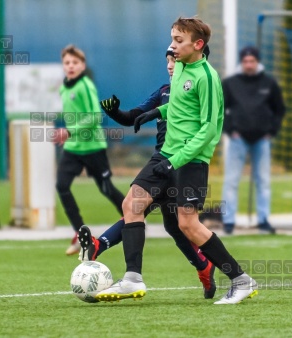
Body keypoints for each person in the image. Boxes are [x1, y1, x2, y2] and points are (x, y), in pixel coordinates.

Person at [96, 17, 258, 305]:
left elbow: (209, 129)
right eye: (172, 38)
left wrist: (176, 161)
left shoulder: (207, 77)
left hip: (191, 160)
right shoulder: (181, 66)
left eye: (179, 40)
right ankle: (132, 278)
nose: (172, 46)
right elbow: (181, 105)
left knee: (188, 226)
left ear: (198, 45)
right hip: (167, 153)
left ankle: (240, 280)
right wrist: (156, 113)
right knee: (132, 204)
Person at [77, 44, 216, 299]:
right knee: (138, 208)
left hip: (181, 163)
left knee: (176, 226)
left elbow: (209, 127)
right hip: (159, 162)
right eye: (167, 62)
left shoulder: (197, 88)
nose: (171, 66)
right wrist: (114, 112)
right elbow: (133, 117)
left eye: (174, 60)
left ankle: (206, 266)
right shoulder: (163, 92)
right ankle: (108, 254)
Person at [53, 44, 125, 256]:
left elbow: (95, 116)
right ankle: (79, 233)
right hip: (74, 148)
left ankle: (132, 221)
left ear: (82, 66)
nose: (71, 66)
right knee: (61, 186)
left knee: (106, 188)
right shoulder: (64, 87)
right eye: (67, 63)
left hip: (93, 147)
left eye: (75, 62)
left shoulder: (86, 85)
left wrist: (69, 131)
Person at [221, 46, 286, 235]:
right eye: (246, 61)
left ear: (257, 62)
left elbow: (279, 109)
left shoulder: (269, 83)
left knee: (263, 181)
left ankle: (263, 219)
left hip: (262, 139)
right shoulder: (230, 83)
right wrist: (230, 129)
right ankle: (229, 221)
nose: (249, 65)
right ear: (241, 62)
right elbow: (220, 110)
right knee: (231, 180)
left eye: (252, 61)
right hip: (237, 139)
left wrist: (271, 131)